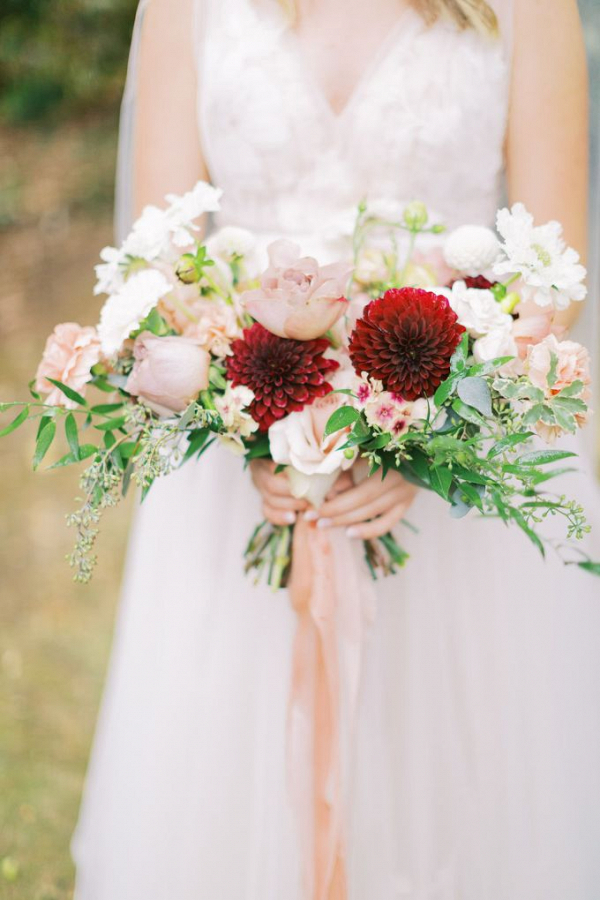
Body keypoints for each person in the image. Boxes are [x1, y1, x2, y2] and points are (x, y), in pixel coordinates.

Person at [72, 0, 600, 897]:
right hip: (248, 464)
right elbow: (157, 259)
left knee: (465, 794)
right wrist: (247, 421)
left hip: (465, 473)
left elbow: (554, 271)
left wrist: (428, 442)